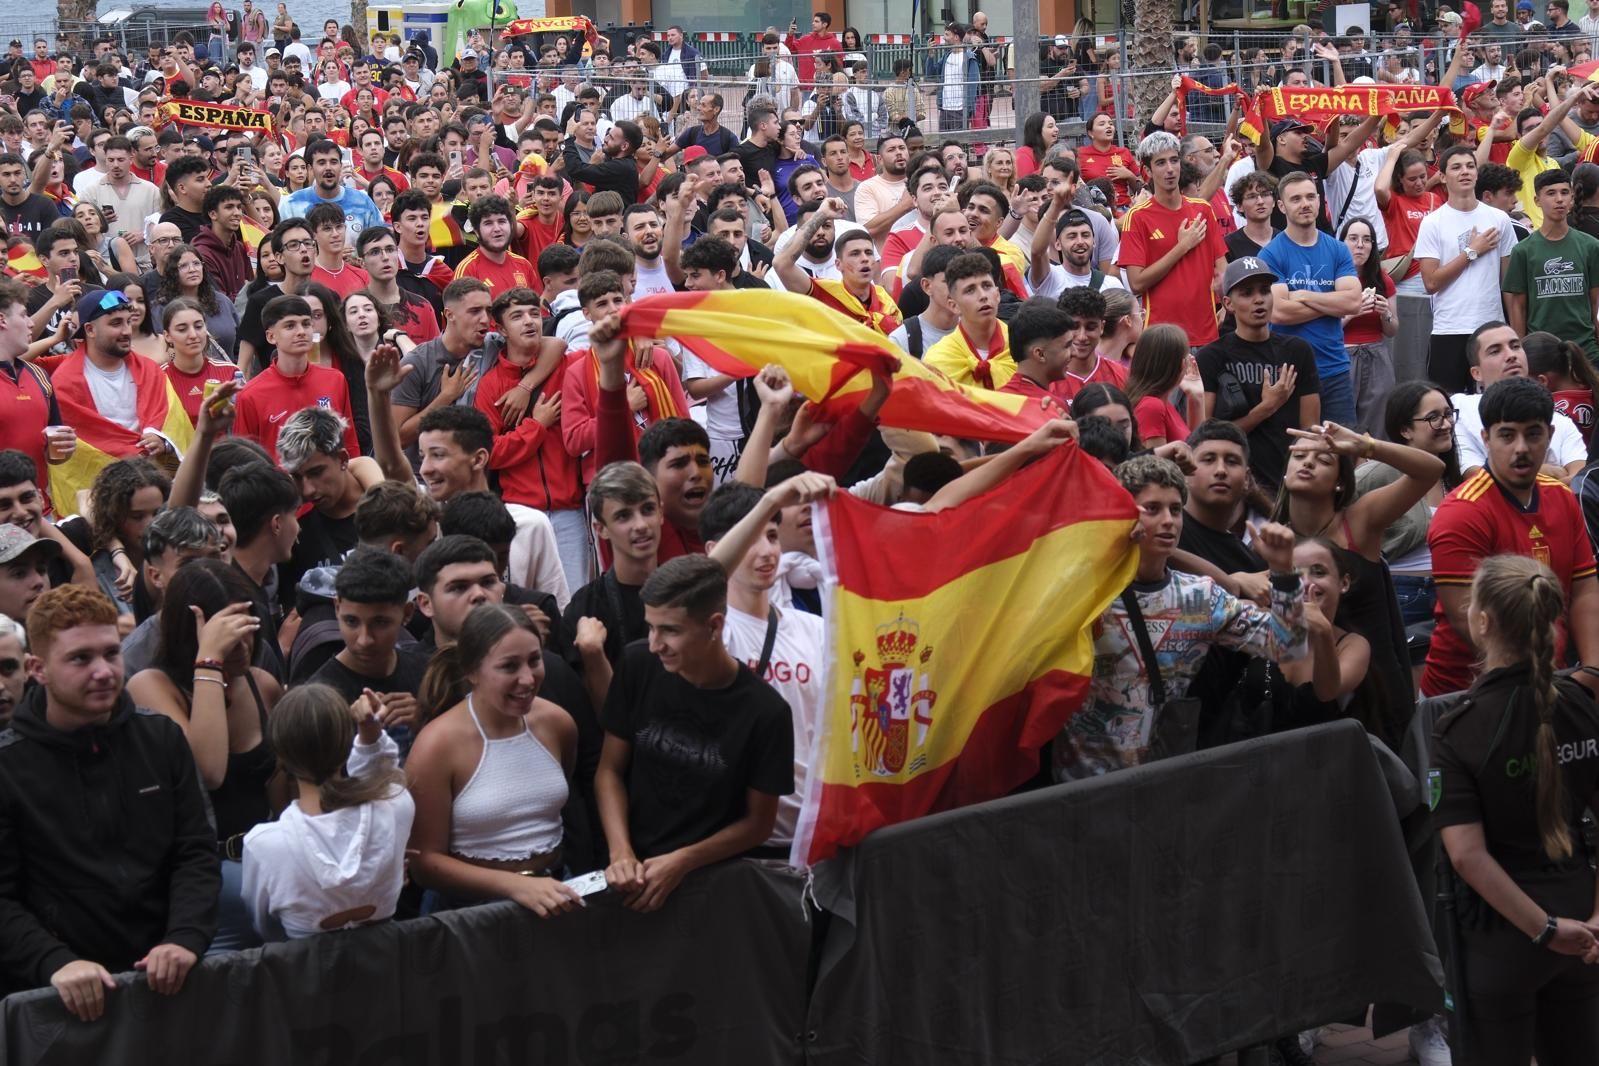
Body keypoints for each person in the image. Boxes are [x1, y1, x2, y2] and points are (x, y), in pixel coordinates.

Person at [0, 585, 218, 1017]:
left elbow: (195, 850)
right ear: (37, 669)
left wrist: (184, 936)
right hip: (55, 998)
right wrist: (55, 962)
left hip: (168, 982)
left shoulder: (161, 739)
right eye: (80, 658)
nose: (102, 671)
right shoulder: (9, 767)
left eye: (111, 653)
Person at [1431, 553, 1599, 1065]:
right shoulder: (1580, 704)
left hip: (1501, 936)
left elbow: (1467, 856)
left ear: (1483, 622)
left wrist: (1544, 929)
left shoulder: (1459, 728)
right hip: (1583, 924)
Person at [1054, 455, 1307, 780]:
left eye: (1175, 509)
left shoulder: (1200, 597)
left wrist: (1285, 574)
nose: (1168, 520)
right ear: (1122, 512)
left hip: (1164, 785)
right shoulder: (1080, 591)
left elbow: (1290, 648)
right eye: (1152, 508)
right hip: (1080, 787)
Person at [596, 554, 794, 911]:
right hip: (633, 878)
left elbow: (758, 824)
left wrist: (684, 861)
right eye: (650, 627)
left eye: (670, 631)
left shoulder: (766, 712)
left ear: (715, 626)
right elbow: (609, 771)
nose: (655, 644)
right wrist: (621, 852)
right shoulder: (638, 665)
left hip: (714, 889)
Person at [127, 558, 281, 952]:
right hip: (202, 891)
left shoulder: (262, 684)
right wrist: (209, 662)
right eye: (226, 633)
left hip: (267, 873)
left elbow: (283, 795)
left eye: (246, 628)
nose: (242, 646)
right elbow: (208, 772)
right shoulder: (151, 686)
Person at [1425, 377, 1599, 697]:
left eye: (1533, 434)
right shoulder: (1462, 512)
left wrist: (1592, 670)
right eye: (1507, 435)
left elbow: (1585, 590)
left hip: (1552, 680)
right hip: (1467, 693)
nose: (1521, 448)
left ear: (1550, 436)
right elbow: (1469, 621)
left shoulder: (1562, 498)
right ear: (1486, 438)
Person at [407, 602, 580, 914]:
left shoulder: (558, 723)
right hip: (469, 911)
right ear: (471, 671)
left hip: (553, 892)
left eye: (534, 660)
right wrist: (517, 886)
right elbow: (424, 863)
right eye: (509, 666)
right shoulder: (437, 745)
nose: (527, 679)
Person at [701, 475, 831, 851]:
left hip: (818, 836)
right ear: (715, 549)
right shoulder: (710, 633)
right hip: (744, 846)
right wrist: (772, 500)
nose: (767, 551)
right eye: (751, 539)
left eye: (772, 536)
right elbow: (694, 588)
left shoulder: (815, 630)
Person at [239, 680, 410, 940]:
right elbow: (383, 777)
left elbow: (263, 925)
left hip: (303, 963)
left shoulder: (264, 845)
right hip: (386, 961)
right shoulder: (396, 808)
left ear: (281, 755)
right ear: (346, 746)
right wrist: (370, 735)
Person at [1197, 257, 1321, 495]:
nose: (1258, 299)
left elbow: (1309, 431)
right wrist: (1267, 407)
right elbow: (1206, 438)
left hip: (1286, 481)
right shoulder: (1212, 356)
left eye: (1265, 291)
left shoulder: (1297, 350)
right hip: (1232, 484)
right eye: (1247, 293)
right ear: (1228, 304)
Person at [1357, 381, 1467, 628]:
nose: (1446, 424)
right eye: (1433, 418)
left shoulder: (1454, 478)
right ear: (1405, 430)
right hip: (1402, 593)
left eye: (1448, 414)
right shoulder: (1379, 473)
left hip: (1453, 592)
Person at [1259, 171, 1362, 426]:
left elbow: (1353, 303)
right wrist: (1332, 303)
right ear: (1281, 206)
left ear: (1319, 200)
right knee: (1296, 446)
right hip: (1288, 373)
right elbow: (1279, 312)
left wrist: (1303, 295)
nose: (1305, 204)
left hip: (1335, 369)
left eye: (1310, 197)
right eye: (1295, 199)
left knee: (1342, 445)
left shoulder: (1338, 249)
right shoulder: (1270, 254)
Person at [1416, 144, 1520, 395]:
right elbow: (1431, 283)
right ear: (1442, 177)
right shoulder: (1432, 222)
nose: (1465, 171)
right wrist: (1471, 252)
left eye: (1470, 166)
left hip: (1491, 326)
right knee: (1448, 404)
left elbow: (1510, 285)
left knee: (1497, 401)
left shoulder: (1499, 219)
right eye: (1456, 167)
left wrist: (1516, 334)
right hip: (1449, 328)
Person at [306, 549, 427, 752]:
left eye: (380, 623)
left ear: (407, 613)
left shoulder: (427, 675)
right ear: (337, 608)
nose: (364, 640)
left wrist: (425, 727)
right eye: (351, 621)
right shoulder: (317, 702)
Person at [1120, 131, 1227, 349]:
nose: (1170, 169)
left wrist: (1227, 302)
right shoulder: (1137, 217)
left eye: (1174, 160)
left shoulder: (1203, 209)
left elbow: (1222, 268)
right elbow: (1136, 283)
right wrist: (1182, 247)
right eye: (1160, 163)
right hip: (1162, 340)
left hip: (1207, 334)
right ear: (1147, 171)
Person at [234, 295, 361, 463]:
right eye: (290, 326)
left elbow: (350, 444)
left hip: (332, 478)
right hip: (278, 479)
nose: (301, 331)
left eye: (306, 324)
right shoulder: (250, 395)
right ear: (271, 337)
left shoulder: (335, 380)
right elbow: (244, 461)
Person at [1456, 324, 1590, 478]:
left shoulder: (1562, 422)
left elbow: (1580, 480)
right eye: (1495, 351)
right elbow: (1477, 476)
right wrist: (1548, 471)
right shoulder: (1461, 409)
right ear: (1476, 373)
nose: (1511, 355)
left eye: (1515, 346)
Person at [1504, 169, 1599, 361]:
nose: (1559, 199)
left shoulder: (1591, 246)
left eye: (1564, 192)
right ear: (1537, 200)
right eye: (1551, 193)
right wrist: (1521, 352)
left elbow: (1595, 303)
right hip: (1541, 352)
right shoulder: (1523, 251)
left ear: (1572, 198)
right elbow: (1518, 308)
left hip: (1585, 350)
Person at [1338, 216, 1399, 435]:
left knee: (1379, 424)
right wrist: (1351, 314)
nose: (1360, 245)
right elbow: (1325, 329)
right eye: (1353, 238)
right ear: (1342, 242)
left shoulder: (1382, 279)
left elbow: (1392, 330)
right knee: (1343, 424)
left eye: (1366, 239)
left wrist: (1385, 314)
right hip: (1343, 356)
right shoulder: (1331, 277)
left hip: (1376, 355)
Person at [1125, 325, 1205, 448]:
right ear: (1182, 364)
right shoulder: (1152, 406)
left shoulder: (1162, 403)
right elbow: (1155, 459)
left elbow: (1197, 448)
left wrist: (1197, 397)